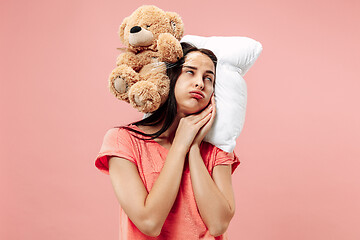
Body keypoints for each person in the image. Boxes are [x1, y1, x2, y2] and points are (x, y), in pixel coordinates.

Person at [95, 42, 240, 239]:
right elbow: (149, 222)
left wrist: (194, 148)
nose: (200, 83)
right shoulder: (123, 140)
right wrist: (180, 145)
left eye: (208, 78)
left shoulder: (217, 149)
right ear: (169, 78)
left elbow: (218, 224)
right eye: (190, 72)